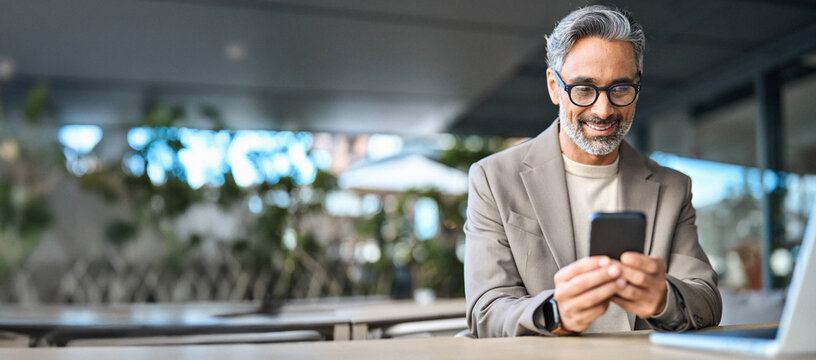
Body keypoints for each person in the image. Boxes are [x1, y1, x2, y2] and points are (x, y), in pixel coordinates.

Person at [463, 5, 722, 337]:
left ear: (637, 85)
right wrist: (555, 313)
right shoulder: (493, 179)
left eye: (620, 89)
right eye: (584, 89)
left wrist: (663, 300)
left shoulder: (673, 187)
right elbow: (486, 311)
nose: (604, 110)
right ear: (554, 86)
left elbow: (708, 300)